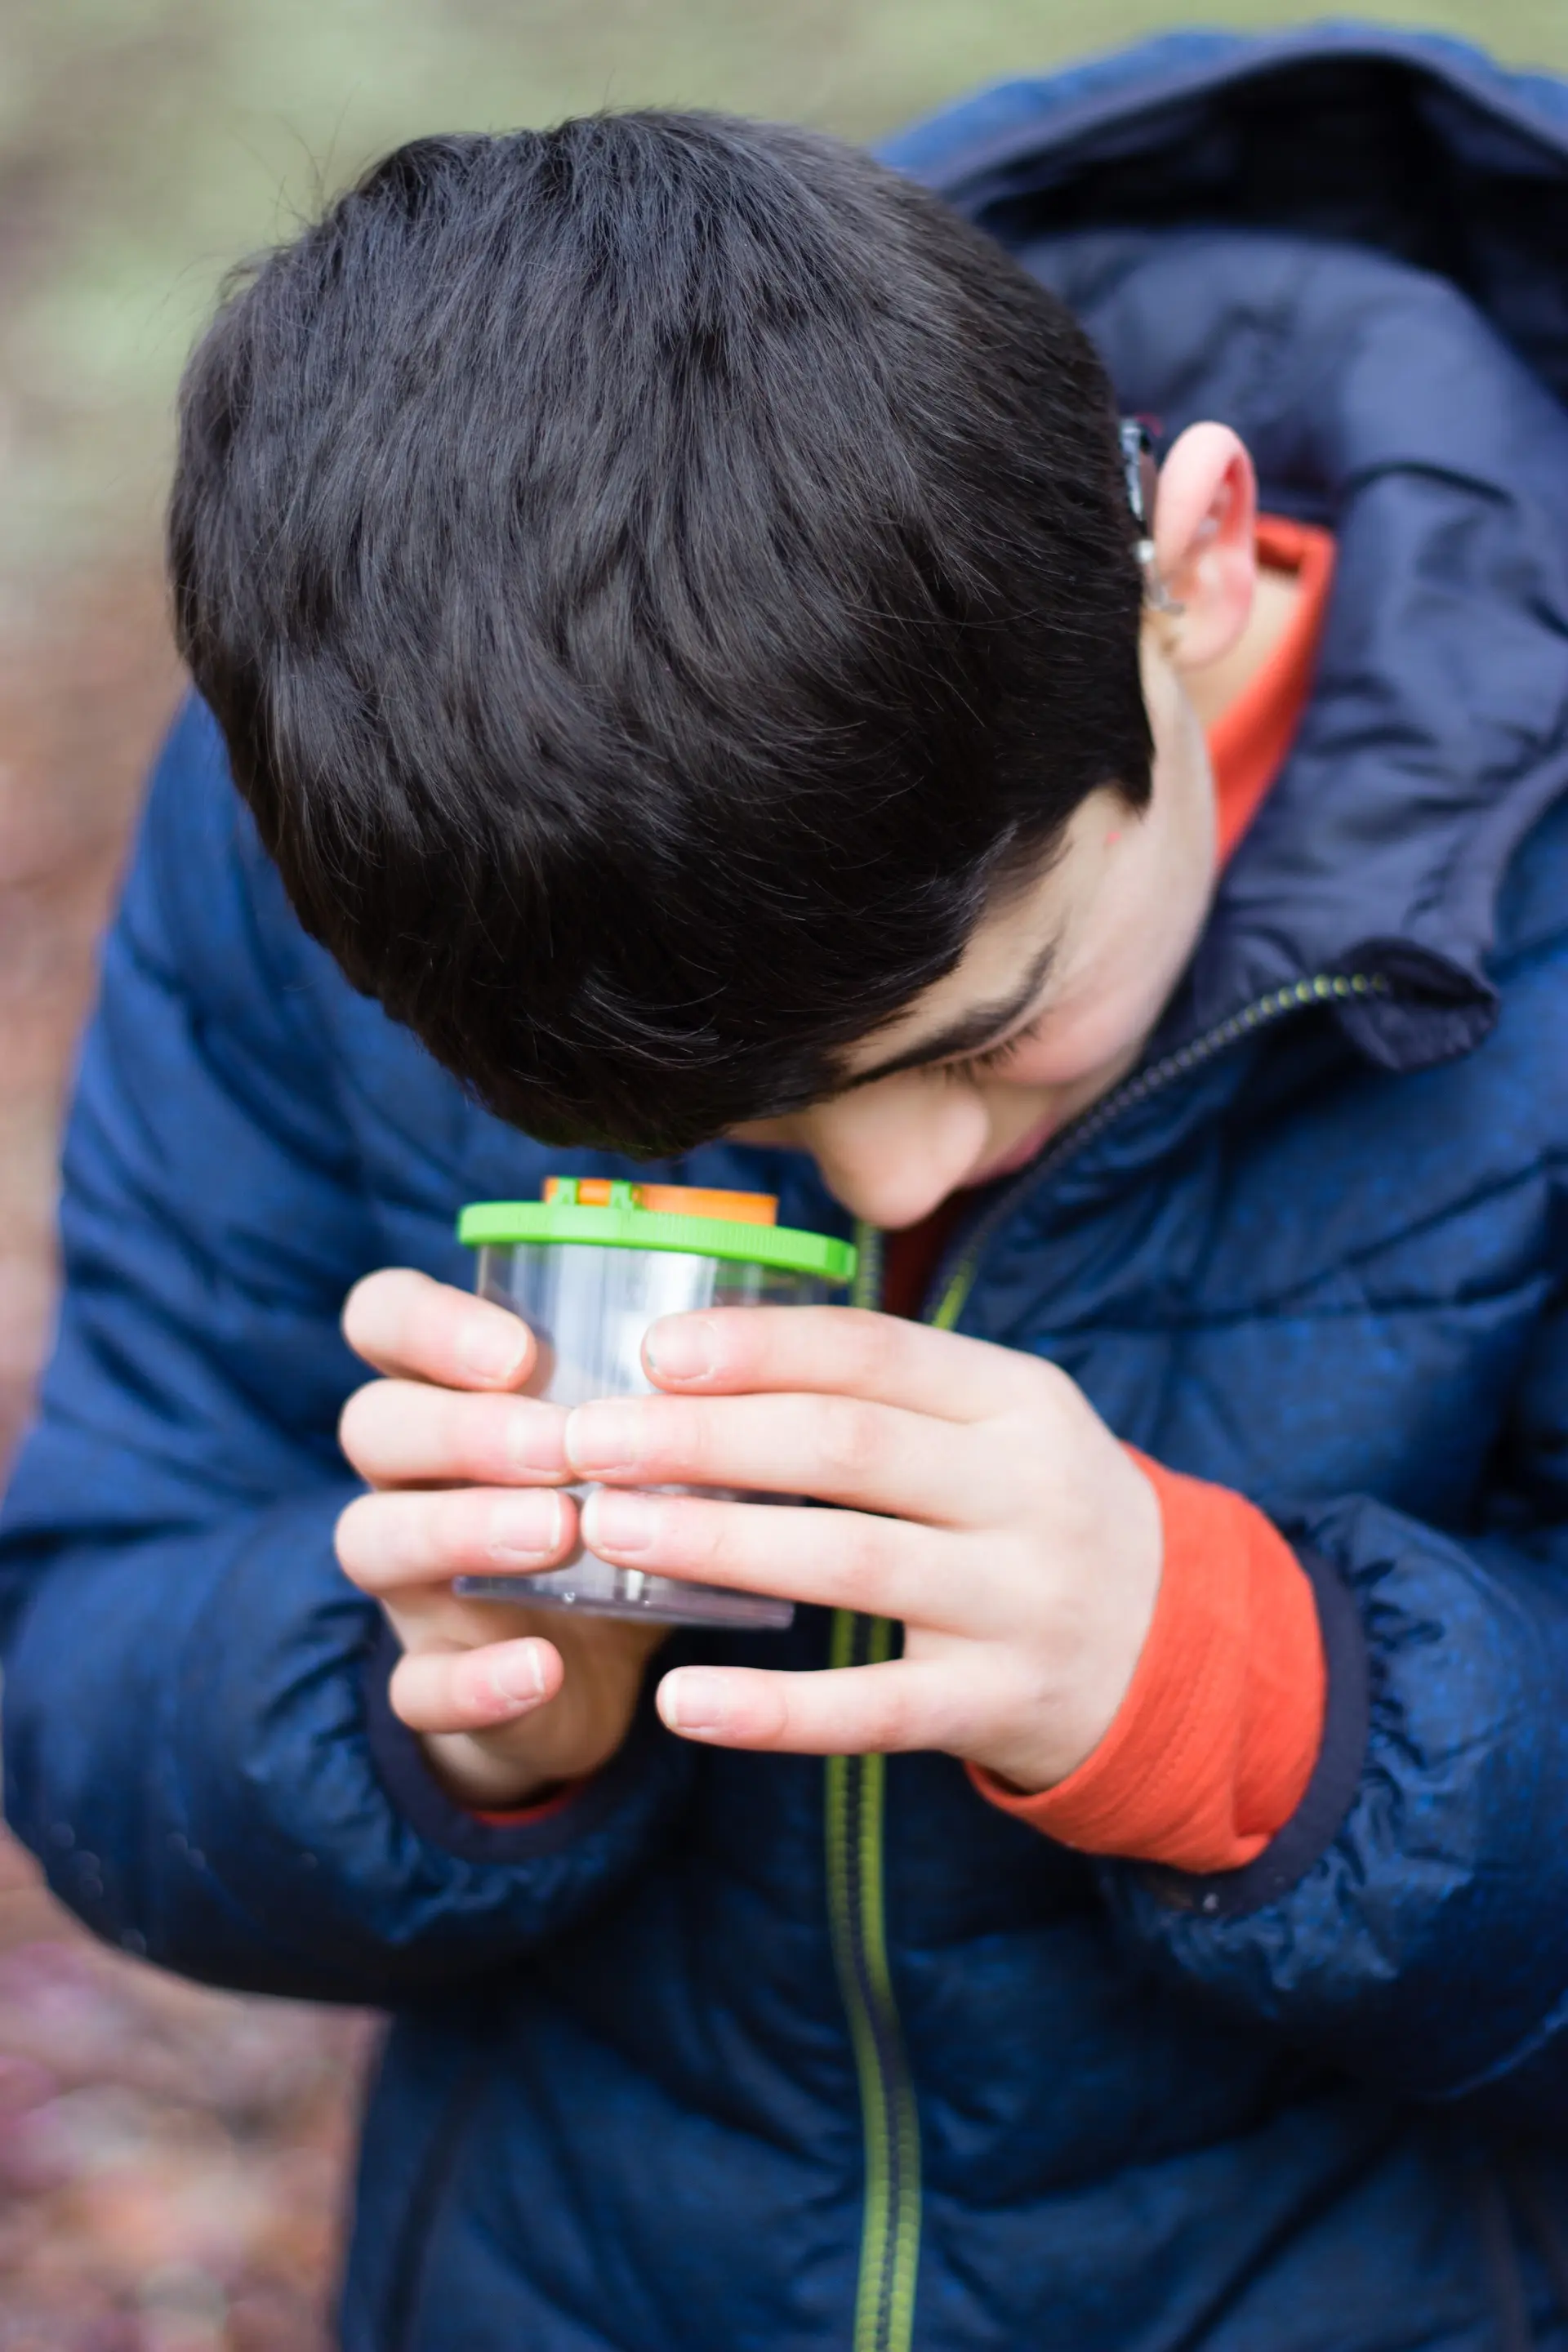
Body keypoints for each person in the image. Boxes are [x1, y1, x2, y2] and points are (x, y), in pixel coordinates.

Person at [5, 24, 1568, 2348]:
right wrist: (445, 1718)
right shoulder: (371, 816)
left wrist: (1249, 1697)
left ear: (1194, 567)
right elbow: (91, 1649)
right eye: (726, 1122)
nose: (899, 1174)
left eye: (987, 1022)